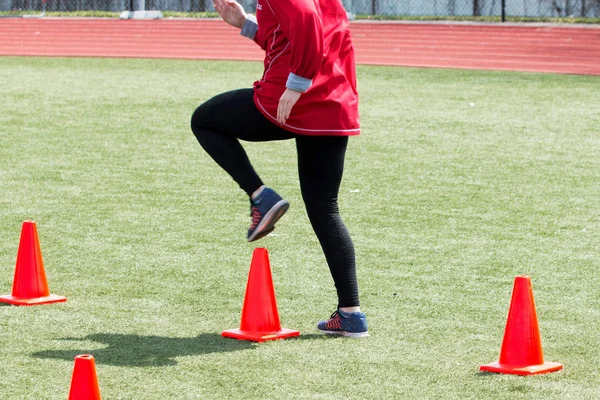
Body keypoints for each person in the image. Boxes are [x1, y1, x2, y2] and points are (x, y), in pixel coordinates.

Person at [191, 0, 368, 338]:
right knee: (325, 209)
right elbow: (290, 35)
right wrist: (245, 24)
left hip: (299, 99)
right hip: (334, 103)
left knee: (205, 121)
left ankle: (260, 196)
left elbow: (307, 24)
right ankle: (351, 314)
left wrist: (297, 83)